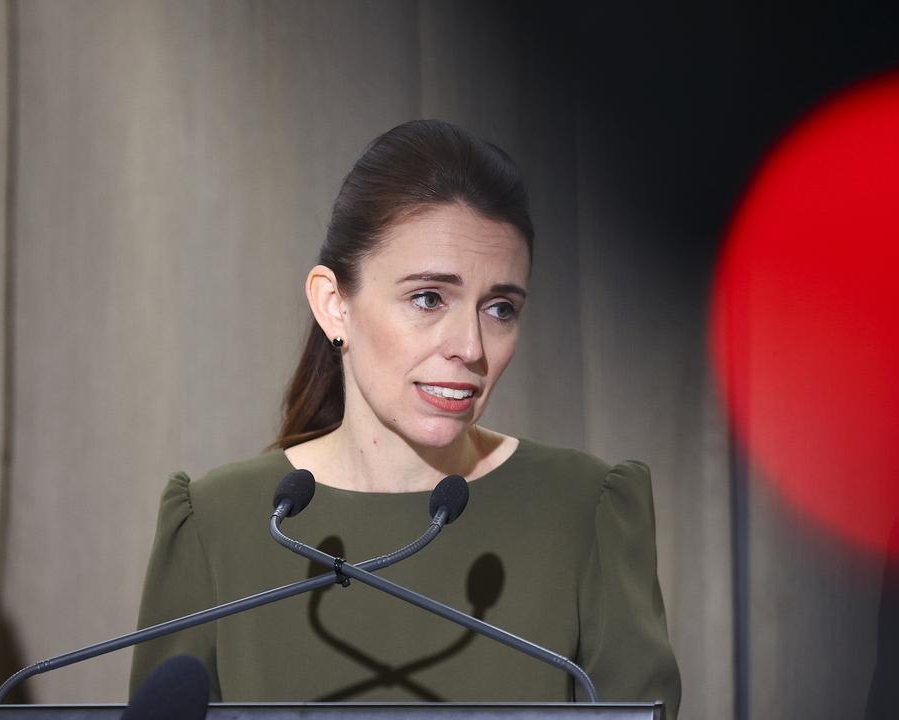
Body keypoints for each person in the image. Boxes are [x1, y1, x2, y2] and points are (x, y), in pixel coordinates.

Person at [129, 120, 681, 718]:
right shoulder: (218, 523)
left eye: (500, 308)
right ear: (334, 304)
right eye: (428, 298)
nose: (470, 345)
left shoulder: (587, 509)